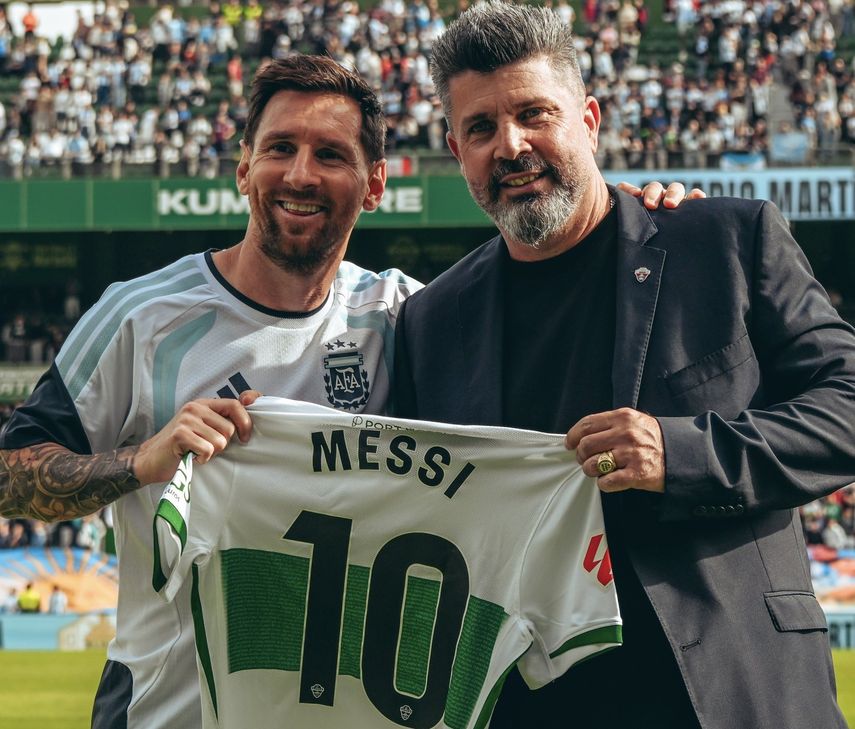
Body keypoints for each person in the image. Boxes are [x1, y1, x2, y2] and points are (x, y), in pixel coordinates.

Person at [0, 54, 691, 729]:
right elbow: (9, 478)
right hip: (168, 711)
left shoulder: (411, 317)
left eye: (331, 154)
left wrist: (627, 225)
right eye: (280, 148)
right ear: (244, 167)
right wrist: (139, 462)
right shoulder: (139, 317)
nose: (300, 174)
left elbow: (556, 298)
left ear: (374, 184)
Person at [392, 4, 855, 729]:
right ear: (456, 150)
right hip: (530, 705)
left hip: (732, 692)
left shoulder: (724, 240)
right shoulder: (431, 320)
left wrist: (681, 451)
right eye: (480, 128)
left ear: (589, 119)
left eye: (534, 113)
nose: (510, 145)